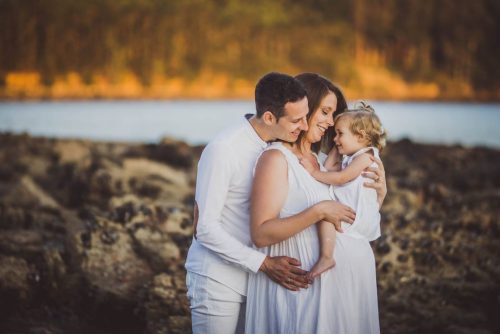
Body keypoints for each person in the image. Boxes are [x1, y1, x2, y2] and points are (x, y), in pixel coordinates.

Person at [184, 72, 359, 334]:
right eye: (297, 120)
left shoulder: (279, 148)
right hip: (218, 278)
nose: (303, 125)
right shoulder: (225, 149)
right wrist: (263, 263)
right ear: (269, 118)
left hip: (257, 283)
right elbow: (205, 228)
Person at [246, 73, 386, 334]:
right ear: (304, 107)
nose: (331, 122)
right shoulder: (277, 159)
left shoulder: (321, 163)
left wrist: (380, 194)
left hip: (346, 296)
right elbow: (261, 233)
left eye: (333, 115)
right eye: (325, 111)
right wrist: (319, 211)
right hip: (304, 296)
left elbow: (352, 216)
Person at [300, 100, 387, 278]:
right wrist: (339, 146)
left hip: (358, 216)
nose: (334, 138)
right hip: (356, 214)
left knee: (325, 213)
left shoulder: (366, 157)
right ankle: (327, 255)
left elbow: (340, 178)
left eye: (339, 134)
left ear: (361, 137)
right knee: (326, 212)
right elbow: (329, 167)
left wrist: (313, 172)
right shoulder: (353, 157)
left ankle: (326, 257)